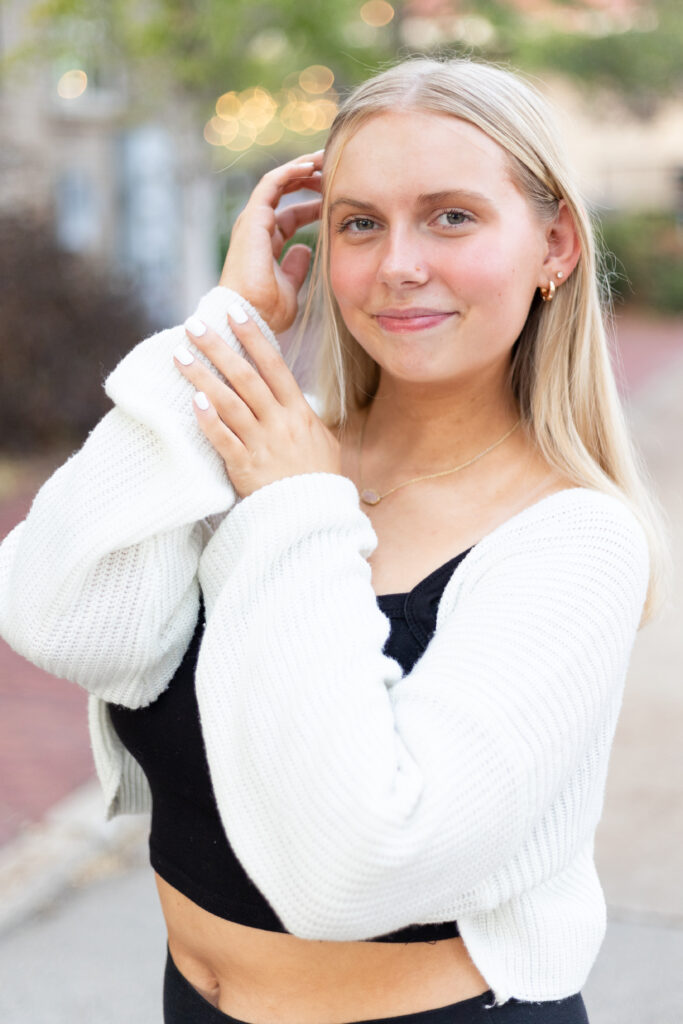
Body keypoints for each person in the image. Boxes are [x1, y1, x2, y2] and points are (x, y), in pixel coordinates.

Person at [0, 55, 668, 1024]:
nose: (397, 263)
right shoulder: (279, 448)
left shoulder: (571, 538)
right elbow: (61, 616)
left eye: (450, 216)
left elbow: (357, 866)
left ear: (553, 242)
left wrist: (298, 509)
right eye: (359, 221)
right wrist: (228, 326)